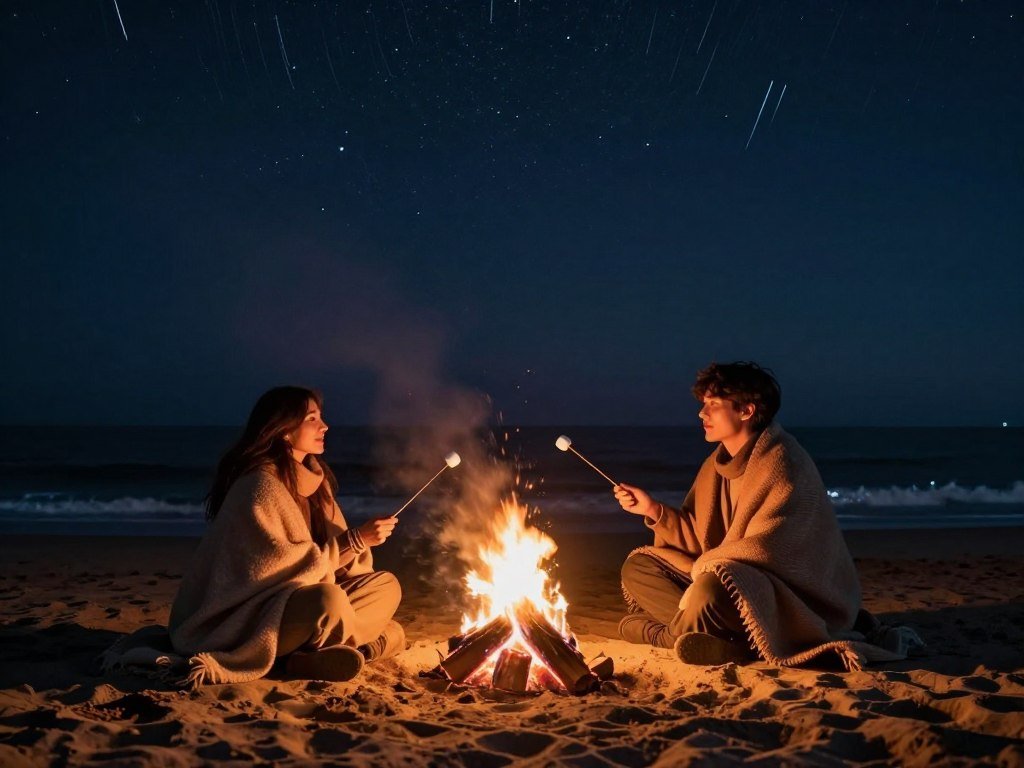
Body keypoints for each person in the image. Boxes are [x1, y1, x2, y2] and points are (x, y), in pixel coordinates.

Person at [615, 362, 905, 669]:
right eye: (703, 405)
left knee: (708, 588)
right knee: (638, 567)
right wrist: (652, 510)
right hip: (722, 577)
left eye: (713, 405)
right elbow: (699, 535)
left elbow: (769, 548)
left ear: (746, 411)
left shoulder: (784, 462)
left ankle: (668, 636)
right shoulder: (714, 466)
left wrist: (704, 568)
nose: (702, 414)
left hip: (783, 595)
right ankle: (709, 637)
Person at [167, 386, 404, 684]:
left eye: (321, 417)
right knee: (331, 602)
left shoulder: (318, 485)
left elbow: (336, 567)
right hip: (261, 616)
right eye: (312, 419)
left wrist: (359, 545)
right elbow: (275, 572)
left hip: (310, 607)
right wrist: (354, 541)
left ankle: (312, 658)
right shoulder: (258, 486)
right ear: (284, 431)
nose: (324, 426)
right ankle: (358, 648)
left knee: (386, 586)